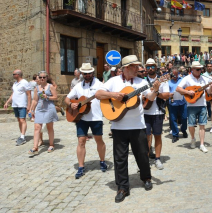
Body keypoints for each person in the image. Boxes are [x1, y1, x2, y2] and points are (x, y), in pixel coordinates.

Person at [95, 55, 160, 203]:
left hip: (138, 125)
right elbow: (98, 94)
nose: (138, 69)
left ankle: (146, 178)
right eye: (135, 66)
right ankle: (122, 187)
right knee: (120, 159)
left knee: (142, 155)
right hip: (119, 127)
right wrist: (114, 95)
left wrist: (155, 90)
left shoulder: (142, 82)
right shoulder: (113, 81)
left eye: (138, 66)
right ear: (126, 68)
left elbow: (149, 97)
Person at [65, 63, 107, 178]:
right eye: (85, 73)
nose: (87, 75)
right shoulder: (78, 86)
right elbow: (67, 98)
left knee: (99, 140)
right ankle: (81, 166)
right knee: (81, 141)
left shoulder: (99, 85)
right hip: (81, 118)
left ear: (92, 73)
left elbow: (106, 96)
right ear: (82, 74)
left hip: (96, 117)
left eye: (89, 73)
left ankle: (102, 161)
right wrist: (71, 104)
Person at [176, 61, 212, 153]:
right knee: (191, 125)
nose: (200, 71)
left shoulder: (204, 79)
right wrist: (188, 92)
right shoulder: (187, 78)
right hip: (191, 105)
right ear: (192, 69)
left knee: (202, 125)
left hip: (202, 104)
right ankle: (193, 138)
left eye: (201, 69)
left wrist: (211, 86)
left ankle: (202, 144)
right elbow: (178, 89)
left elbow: (209, 92)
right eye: (197, 69)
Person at [143, 58, 169, 170]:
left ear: (156, 67)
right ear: (145, 68)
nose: (150, 68)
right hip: (145, 112)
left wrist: (156, 91)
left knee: (157, 135)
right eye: (148, 67)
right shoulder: (142, 81)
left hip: (158, 111)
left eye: (152, 66)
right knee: (146, 136)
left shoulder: (162, 80)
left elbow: (166, 95)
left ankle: (157, 159)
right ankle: (146, 158)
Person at [28, 71, 58, 156]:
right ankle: (35, 147)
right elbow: (35, 100)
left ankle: (51, 144)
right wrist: (31, 110)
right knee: (37, 127)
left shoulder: (50, 86)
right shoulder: (37, 88)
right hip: (40, 109)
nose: (42, 79)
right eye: (40, 77)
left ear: (46, 78)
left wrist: (47, 97)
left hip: (49, 108)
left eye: (44, 77)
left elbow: (55, 97)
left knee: (49, 127)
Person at [3, 70, 32, 146]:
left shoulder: (24, 82)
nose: (13, 75)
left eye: (14, 74)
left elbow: (29, 94)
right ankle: (22, 135)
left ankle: (22, 137)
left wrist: (29, 105)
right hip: (15, 105)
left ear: (18, 75)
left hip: (22, 104)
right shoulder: (15, 83)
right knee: (19, 120)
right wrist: (7, 102)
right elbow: (13, 93)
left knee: (22, 120)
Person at [168, 67, 188, 143]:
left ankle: (183, 130)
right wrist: (169, 94)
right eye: (173, 74)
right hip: (173, 103)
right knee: (173, 119)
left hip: (182, 102)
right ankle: (175, 135)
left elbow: (187, 89)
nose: (175, 76)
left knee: (184, 118)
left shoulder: (182, 80)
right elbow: (166, 91)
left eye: (176, 74)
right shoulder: (168, 81)